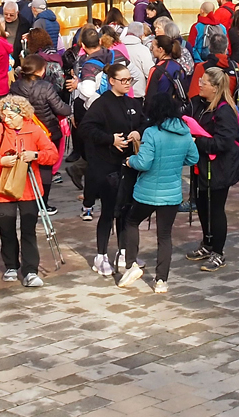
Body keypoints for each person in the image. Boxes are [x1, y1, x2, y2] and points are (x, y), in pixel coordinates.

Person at [122, 92, 200, 292]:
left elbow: (144, 163)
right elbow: (193, 158)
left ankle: (131, 264)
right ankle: (161, 281)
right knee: (164, 236)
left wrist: (130, 161)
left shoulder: (151, 132)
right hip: (172, 193)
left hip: (147, 191)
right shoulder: (184, 131)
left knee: (131, 222)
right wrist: (175, 162)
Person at [80, 62, 144, 276]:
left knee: (126, 210)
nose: (127, 84)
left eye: (129, 80)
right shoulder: (101, 104)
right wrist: (110, 139)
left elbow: (144, 122)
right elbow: (86, 128)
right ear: (112, 81)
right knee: (109, 211)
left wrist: (138, 132)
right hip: (107, 166)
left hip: (129, 165)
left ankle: (124, 251)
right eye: (123, 80)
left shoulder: (132, 103)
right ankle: (101, 255)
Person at [186, 67, 239, 270]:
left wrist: (197, 141)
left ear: (216, 87)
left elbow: (222, 143)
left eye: (204, 82)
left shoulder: (225, 110)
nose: (200, 85)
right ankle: (207, 243)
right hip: (202, 165)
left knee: (216, 209)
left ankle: (218, 252)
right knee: (202, 205)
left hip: (220, 167)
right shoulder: (199, 104)